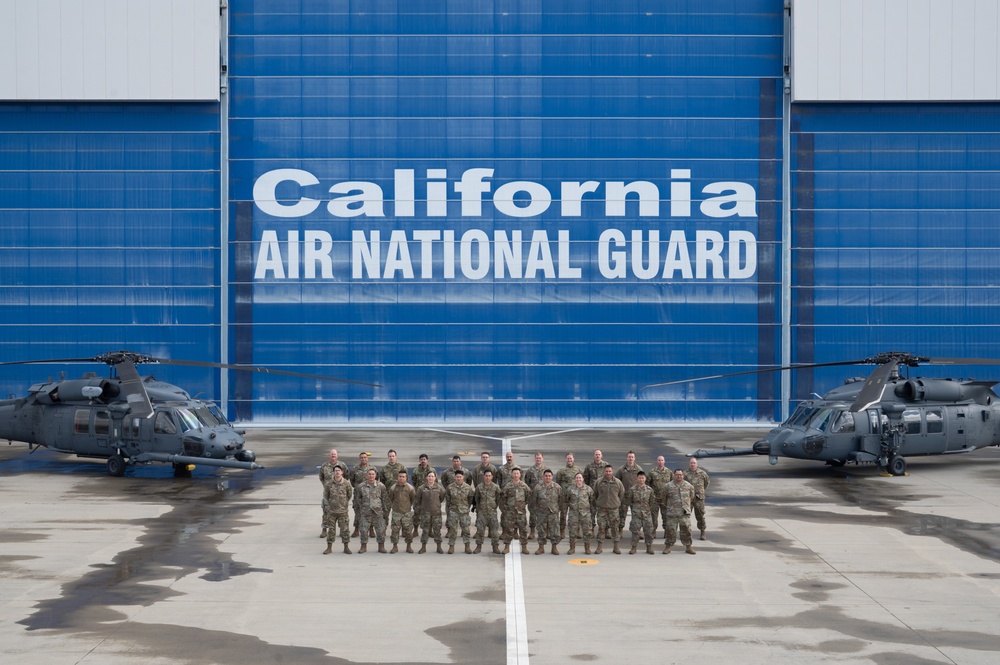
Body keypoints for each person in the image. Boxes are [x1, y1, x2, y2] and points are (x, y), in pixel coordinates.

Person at [355, 468, 390, 554]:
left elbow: (384, 499)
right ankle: (363, 546)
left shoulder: (381, 486)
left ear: (375, 475)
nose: (371, 476)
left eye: (373, 474)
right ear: (366, 475)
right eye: (369, 474)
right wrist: (362, 508)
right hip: (365, 512)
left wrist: (385, 512)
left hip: (378, 512)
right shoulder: (361, 486)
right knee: (363, 530)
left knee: (380, 530)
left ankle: (381, 546)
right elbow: (358, 498)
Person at [663, 468, 696, 554]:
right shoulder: (668, 486)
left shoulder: (689, 486)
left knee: (686, 530)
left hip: (684, 513)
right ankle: (668, 547)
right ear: (674, 476)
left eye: (681, 475)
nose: (679, 476)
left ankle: (688, 547)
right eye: (677, 475)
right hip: (672, 513)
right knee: (670, 530)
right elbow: (664, 499)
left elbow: (691, 497)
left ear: (683, 476)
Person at [594, 464, 625, 554]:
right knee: (601, 528)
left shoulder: (618, 482)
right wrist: (599, 502)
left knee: (615, 528)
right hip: (602, 509)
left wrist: (616, 503)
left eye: (610, 471)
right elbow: (595, 494)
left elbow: (621, 494)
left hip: (613, 509)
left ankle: (616, 547)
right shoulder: (598, 482)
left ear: (613, 471)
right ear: (604, 472)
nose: (608, 473)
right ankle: (599, 547)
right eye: (606, 471)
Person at [318, 449, 349, 538]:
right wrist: (327, 486)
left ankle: (341, 530)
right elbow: (321, 477)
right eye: (332, 454)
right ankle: (324, 529)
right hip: (328, 493)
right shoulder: (324, 466)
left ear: (337, 455)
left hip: (340, 493)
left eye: (334, 454)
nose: (333, 456)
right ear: (329, 455)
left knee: (341, 512)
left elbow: (346, 476)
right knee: (326, 510)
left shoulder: (342, 465)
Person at [322, 466, 353, 555]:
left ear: (342, 472)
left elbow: (349, 495)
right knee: (331, 530)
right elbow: (326, 496)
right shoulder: (329, 484)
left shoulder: (346, 483)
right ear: (333, 472)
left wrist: (343, 504)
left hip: (343, 511)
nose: (337, 472)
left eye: (339, 471)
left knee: (345, 530)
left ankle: (346, 547)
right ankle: (329, 547)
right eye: (335, 471)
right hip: (332, 512)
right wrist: (331, 505)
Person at [445, 470, 475, 554]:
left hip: (464, 512)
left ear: (463, 477)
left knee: (466, 530)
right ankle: (451, 546)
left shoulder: (468, 488)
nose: (458, 478)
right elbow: (448, 500)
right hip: (453, 511)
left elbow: (470, 499)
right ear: (454, 477)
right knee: (452, 530)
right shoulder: (450, 487)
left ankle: (467, 547)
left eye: (460, 477)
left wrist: (466, 508)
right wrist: (448, 511)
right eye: (457, 477)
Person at [625, 471, 655, 555]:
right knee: (635, 532)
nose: (641, 479)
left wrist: (647, 509)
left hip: (647, 514)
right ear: (637, 479)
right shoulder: (632, 489)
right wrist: (635, 509)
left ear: (645, 479)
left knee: (648, 531)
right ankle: (633, 548)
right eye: (639, 478)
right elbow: (629, 500)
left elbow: (652, 501)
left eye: (642, 478)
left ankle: (649, 547)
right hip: (636, 514)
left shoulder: (649, 490)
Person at [563, 472, 594, 555]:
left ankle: (587, 548)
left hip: (585, 514)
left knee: (587, 532)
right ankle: (572, 548)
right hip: (574, 514)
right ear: (575, 479)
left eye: (580, 478)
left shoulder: (588, 489)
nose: (578, 479)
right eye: (577, 478)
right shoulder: (570, 489)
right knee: (572, 531)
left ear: (583, 479)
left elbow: (592, 501)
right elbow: (566, 500)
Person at [532, 469, 562, 555]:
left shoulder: (557, 487)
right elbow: (534, 501)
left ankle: (554, 548)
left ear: (552, 477)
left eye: (549, 476)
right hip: (541, 513)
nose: (548, 477)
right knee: (541, 530)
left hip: (553, 513)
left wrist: (557, 510)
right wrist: (536, 511)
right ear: (543, 477)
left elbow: (561, 500)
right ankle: (541, 548)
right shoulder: (538, 487)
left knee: (554, 531)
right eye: (546, 476)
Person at [415, 471, 446, 553]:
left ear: (435, 478)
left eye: (432, 476)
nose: (430, 478)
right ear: (426, 477)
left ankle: (439, 547)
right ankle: (423, 547)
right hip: (425, 513)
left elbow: (441, 498)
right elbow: (418, 499)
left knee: (437, 530)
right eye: (429, 476)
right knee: (425, 530)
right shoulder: (421, 488)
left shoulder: (439, 488)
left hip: (436, 513)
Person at [501, 467, 530, 554]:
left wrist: (522, 505)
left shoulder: (524, 486)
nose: (516, 475)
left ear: (520, 475)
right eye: (514, 473)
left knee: (523, 530)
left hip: (521, 513)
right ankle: (507, 547)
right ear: (511, 475)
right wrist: (506, 510)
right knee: (509, 530)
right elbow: (503, 498)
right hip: (510, 513)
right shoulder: (508, 486)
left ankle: (524, 547)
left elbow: (528, 497)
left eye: (517, 473)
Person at [555, 453, 584, 539]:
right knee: (563, 514)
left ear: (573, 459)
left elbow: (581, 482)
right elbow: (558, 483)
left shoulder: (578, 469)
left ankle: (577, 531)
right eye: (568, 459)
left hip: (574, 497)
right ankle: (562, 531)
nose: (569, 460)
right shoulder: (561, 470)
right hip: (564, 497)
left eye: (571, 459)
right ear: (566, 459)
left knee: (576, 514)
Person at [387, 470, 417, 553]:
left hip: (406, 513)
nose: (401, 478)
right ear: (397, 477)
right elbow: (390, 498)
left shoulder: (410, 488)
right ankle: (395, 546)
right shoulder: (393, 488)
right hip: (396, 512)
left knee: (408, 531)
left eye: (403, 477)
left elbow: (413, 499)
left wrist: (407, 507)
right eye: (400, 476)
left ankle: (409, 546)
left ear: (406, 478)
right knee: (395, 531)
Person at [473, 469, 502, 553]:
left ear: (492, 477)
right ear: (483, 476)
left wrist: (493, 507)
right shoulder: (479, 487)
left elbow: (498, 499)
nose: (488, 477)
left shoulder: (496, 487)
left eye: (489, 476)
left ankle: (495, 547)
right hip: (482, 513)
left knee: (494, 532)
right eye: (486, 476)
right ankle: (478, 547)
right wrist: (480, 508)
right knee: (480, 531)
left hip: (492, 513)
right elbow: (477, 499)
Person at [614, 451, 644, 531]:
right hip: (624, 496)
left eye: (632, 457)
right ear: (627, 458)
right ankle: (620, 530)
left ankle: (637, 531)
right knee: (622, 514)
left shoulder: (639, 469)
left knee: (637, 514)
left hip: (635, 496)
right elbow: (616, 481)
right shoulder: (621, 469)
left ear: (634, 458)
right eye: (629, 457)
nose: (630, 459)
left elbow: (642, 481)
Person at [350, 452, 376, 538]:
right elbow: (352, 481)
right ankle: (356, 529)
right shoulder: (355, 469)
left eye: (365, 457)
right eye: (361, 458)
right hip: (358, 495)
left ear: (367, 458)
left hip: (370, 495)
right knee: (357, 512)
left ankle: (371, 529)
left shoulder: (372, 468)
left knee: (371, 512)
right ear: (359, 459)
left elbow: (376, 479)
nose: (363, 459)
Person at [684, 457, 711, 540]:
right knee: (686, 516)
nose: (692, 464)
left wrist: (701, 491)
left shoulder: (702, 473)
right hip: (688, 498)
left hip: (699, 498)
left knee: (700, 515)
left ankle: (702, 532)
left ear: (697, 464)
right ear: (689, 464)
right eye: (691, 463)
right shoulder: (685, 473)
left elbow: (707, 482)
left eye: (694, 463)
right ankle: (686, 533)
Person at [647, 455, 672, 537]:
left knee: (666, 516)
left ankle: (666, 531)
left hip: (665, 499)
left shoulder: (669, 472)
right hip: (655, 498)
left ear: (664, 461)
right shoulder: (652, 472)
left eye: (662, 460)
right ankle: (653, 531)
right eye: (659, 460)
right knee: (653, 516)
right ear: (656, 461)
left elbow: (673, 484)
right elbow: (647, 484)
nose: (660, 462)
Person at [523, 452, 546, 539]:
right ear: (535, 459)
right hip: (533, 497)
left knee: (544, 514)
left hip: (543, 496)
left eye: (540, 458)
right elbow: (527, 483)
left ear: (542, 459)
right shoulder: (530, 470)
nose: (538, 459)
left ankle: (544, 532)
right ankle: (532, 532)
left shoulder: (546, 469)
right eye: (537, 458)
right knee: (532, 514)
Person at [583, 449, 606, 534]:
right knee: (592, 512)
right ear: (594, 456)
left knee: (603, 513)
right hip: (592, 493)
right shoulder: (589, 466)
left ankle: (604, 530)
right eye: (596, 454)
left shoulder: (606, 465)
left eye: (599, 454)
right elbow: (585, 479)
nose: (597, 456)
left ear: (601, 455)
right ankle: (591, 529)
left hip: (602, 493)